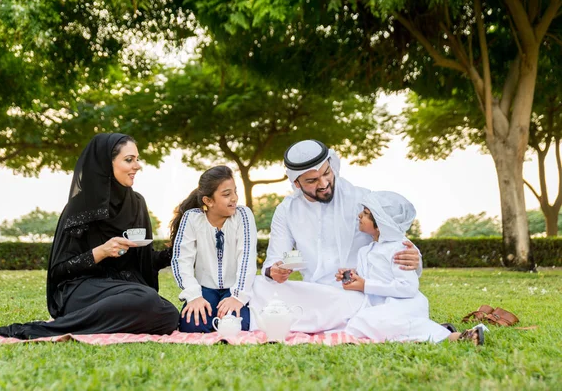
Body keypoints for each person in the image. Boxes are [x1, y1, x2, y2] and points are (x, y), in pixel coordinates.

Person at [0, 133, 180, 339]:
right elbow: (59, 271)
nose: (137, 166)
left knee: (169, 314)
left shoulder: (137, 204)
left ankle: (94, 322)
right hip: (82, 290)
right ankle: (51, 329)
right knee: (146, 299)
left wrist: (175, 250)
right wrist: (99, 252)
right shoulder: (80, 206)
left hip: (123, 292)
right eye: (129, 160)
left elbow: (145, 261)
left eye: (137, 159)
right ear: (105, 164)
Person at [249, 139, 421, 333]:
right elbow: (275, 258)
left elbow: (393, 237)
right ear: (296, 183)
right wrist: (274, 270)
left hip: (356, 292)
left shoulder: (362, 199)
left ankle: (327, 322)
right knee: (258, 285)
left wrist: (414, 256)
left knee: (348, 303)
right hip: (312, 292)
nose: (323, 184)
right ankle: (338, 323)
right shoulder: (287, 210)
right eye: (312, 181)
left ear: (332, 166)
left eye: (326, 173)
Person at [337, 191, 484, 345]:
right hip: (378, 305)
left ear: (381, 223)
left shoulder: (400, 248)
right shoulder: (365, 250)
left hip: (403, 304)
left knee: (364, 322)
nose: (359, 215)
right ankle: (425, 332)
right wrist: (352, 276)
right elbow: (370, 275)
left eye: (366, 213)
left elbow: (408, 287)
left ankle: (455, 336)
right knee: (358, 321)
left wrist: (365, 285)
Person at [170, 166, 257, 333]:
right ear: (208, 201)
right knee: (192, 325)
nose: (234, 198)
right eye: (226, 194)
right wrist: (194, 296)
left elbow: (246, 257)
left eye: (235, 192)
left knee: (237, 324)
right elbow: (181, 260)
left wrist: (237, 297)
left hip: (233, 288)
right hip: (204, 289)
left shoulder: (243, 215)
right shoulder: (192, 218)